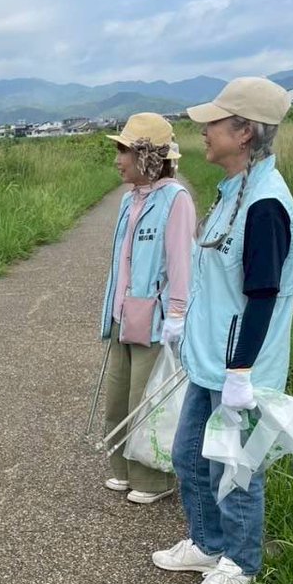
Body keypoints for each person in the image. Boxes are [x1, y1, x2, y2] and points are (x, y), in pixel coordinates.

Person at [152, 77, 293, 584]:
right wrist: (183, 324)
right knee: (189, 457)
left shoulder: (265, 205)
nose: (203, 131)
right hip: (210, 358)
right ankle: (208, 544)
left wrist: (240, 373)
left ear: (244, 132)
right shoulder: (233, 190)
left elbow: (262, 296)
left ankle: (240, 563)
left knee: (234, 470)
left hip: (240, 368)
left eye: (214, 122)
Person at [100, 113, 196, 503]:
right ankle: (123, 469)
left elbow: (181, 263)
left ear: (146, 157)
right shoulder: (129, 199)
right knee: (118, 398)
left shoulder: (176, 199)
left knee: (147, 402)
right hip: (123, 316)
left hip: (155, 321)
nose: (117, 160)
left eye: (123, 151)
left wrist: (177, 315)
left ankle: (154, 481)